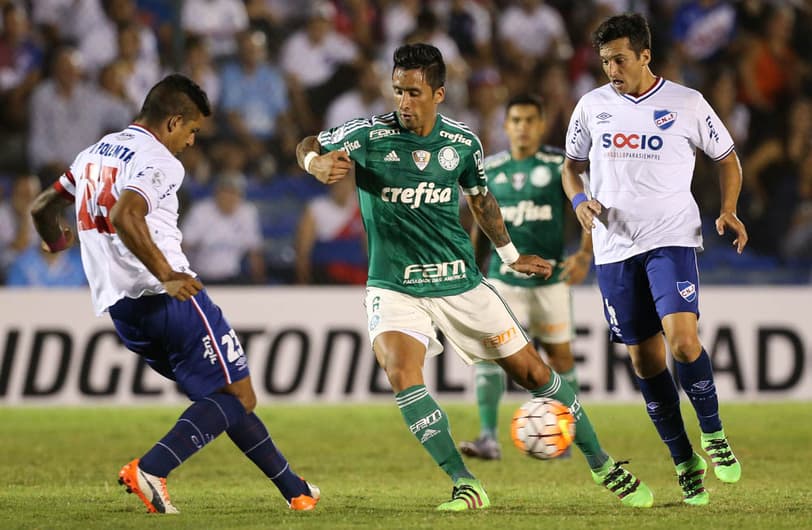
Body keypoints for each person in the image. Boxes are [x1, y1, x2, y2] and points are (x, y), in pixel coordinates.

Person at [296, 43, 652, 511]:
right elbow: (308, 144)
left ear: (439, 93)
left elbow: (482, 201)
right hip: (395, 285)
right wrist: (313, 162)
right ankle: (466, 483)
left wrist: (507, 255)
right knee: (401, 373)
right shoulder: (366, 134)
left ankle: (604, 464)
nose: (403, 102)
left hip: (461, 282)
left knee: (535, 373)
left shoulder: (462, 143)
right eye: (398, 91)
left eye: (414, 92)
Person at [29, 74, 319, 514]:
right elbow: (127, 213)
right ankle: (152, 468)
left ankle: (295, 490)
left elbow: (42, 206)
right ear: (173, 122)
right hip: (168, 296)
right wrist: (166, 274)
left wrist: (55, 241)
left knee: (221, 397)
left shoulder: (92, 154)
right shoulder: (160, 160)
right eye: (192, 130)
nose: (190, 141)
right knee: (238, 396)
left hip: (122, 309)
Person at [561, 13, 745, 507]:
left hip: (672, 238)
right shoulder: (591, 107)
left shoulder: (687, 103)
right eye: (604, 61)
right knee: (645, 361)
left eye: (620, 59)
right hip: (614, 248)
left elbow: (726, 156)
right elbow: (571, 167)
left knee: (684, 344)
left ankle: (713, 434)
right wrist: (580, 201)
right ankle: (684, 459)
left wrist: (728, 210)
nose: (611, 69)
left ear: (645, 55)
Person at [459, 94, 593, 461]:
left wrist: (584, 254)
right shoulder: (490, 168)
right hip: (504, 281)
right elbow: (481, 222)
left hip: (550, 280)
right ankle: (488, 437)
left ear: (542, 124)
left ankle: (567, 434)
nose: (522, 127)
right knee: (491, 356)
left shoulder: (558, 166)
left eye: (530, 120)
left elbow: (587, 205)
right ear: (505, 126)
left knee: (560, 359)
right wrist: (474, 270)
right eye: (515, 120)